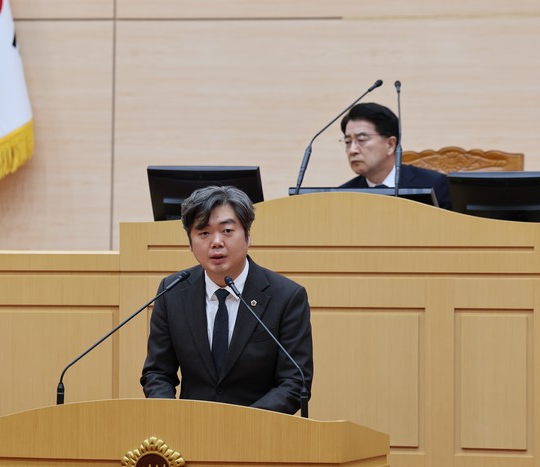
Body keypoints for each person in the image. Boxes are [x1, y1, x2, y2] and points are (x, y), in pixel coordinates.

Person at [140, 185, 313, 415]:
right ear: (190, 243)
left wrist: (240, 424)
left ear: (248, 236)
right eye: (204, 233)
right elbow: (157, 373)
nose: (216, 242)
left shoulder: (287, 296)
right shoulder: (172, 292)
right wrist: (174, 418)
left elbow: (295, 382)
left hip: (259, 430)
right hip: (189, 428)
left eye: (227, 230)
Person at [339, 102, 452, 210]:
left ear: (390, 145)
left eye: (361, 139)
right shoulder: (342, 195)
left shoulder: (434, 184)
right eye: (348, 142)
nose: (352, 150)